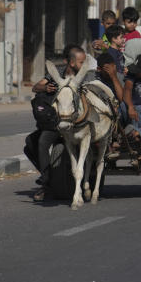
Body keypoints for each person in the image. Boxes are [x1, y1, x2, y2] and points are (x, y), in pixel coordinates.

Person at [26, 45, 96, 201]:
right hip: (56, 121)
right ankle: (49, 176)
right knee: (30, 143)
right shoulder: (57, 73)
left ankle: (45, 184)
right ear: (70, 63)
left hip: (77, 124)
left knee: (43, 142)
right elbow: (36, 87)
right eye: (80, 62)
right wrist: (45, 87)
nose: (84, 65)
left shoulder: (86, 76)